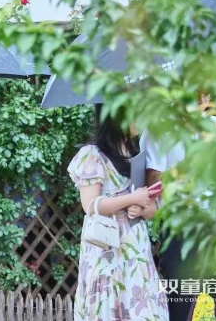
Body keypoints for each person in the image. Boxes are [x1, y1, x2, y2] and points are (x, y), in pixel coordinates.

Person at [141, 93, 216, 321]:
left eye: (205, 92)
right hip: (179, 228)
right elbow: (152, 182)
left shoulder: (215, 124)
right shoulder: (158, 129)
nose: (200, 98)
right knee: (180, 306)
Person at [68, 104, 169, 321]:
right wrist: (131, 199)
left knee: (140, 307)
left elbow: (148, 206)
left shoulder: (134, 154)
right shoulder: (92, 154)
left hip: (135, 247)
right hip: (107, 247)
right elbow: (90, 205)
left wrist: (142, 207)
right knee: (109, 304)